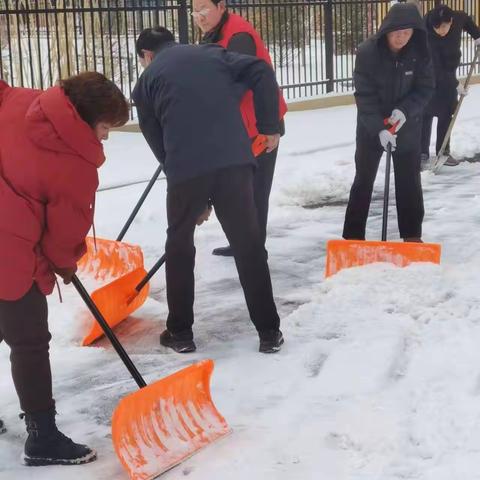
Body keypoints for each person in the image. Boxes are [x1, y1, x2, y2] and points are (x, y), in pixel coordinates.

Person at [0, 72, 129, 465]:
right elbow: (63, 231)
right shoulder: (76, 160)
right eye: (106, 127)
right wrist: (64, 264)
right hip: (10, 248)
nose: (106, 137)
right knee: (29, 341)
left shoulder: (22, 99)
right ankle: (42, 437)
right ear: (86, 119)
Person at [132, 27, 284, 354]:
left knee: (180, 244)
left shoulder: (145, 82)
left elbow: (158, 142)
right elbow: (260, 69)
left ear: (146, 55)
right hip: (234, 161)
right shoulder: (212, 53)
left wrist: (190, 192)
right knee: (248, 244)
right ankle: (270, 332)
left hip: (187, 167)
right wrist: (269, 124)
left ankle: (181, 333)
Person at [192, 0, 288, 257]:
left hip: (262, 126)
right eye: (195, 11)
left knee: (256, 191)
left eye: (204, 10)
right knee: (240, 189)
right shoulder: (215, 32)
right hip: (240, 124)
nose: (199, 17)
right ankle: (243, 244)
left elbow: (239, 83)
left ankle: (255, 250)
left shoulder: (239, 36)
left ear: (221, 6)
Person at [343, 3, 435, 242]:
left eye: (407, 32)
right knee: (363, 179)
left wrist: (405, 111)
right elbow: (364, 95)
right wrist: (379, 129)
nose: (402, 37)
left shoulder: (420, 52)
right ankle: (353, 237)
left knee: (409, 181)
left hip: (406, 125)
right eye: (397, 31)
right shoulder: (367, 52)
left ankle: (412, 235)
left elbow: (425, 88)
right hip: (371, 125)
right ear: (387, 29)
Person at [421, 4, 480, 167]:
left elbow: (467, 21)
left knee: (447, 113)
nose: (441, 31)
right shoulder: (427, 33)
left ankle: (443, 152)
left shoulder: (458, 18)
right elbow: (436, 67)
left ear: (451, 21)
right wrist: (455, 84)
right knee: (425, 114)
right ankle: (422, 153)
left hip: (449, 70)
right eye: (437, 28)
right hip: (429, 75)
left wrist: (477, 36)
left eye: (444, 27)